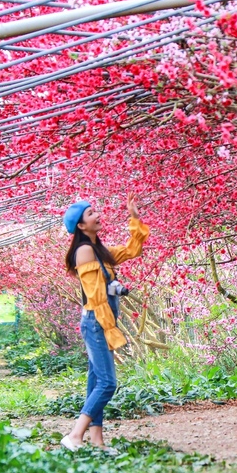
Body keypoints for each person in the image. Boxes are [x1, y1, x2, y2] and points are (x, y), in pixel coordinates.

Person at [60, 193, 149, 450]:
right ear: (80, 225)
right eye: (90, 214)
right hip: (96, 321)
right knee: (108, 383)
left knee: (96, 381)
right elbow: (96, 296)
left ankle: (97, 441)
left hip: (98, 321)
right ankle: (75, 435)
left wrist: (134, 217)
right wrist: (109, 327)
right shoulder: (85, 250)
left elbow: (133, 249)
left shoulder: (98, 250)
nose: (97, 216)